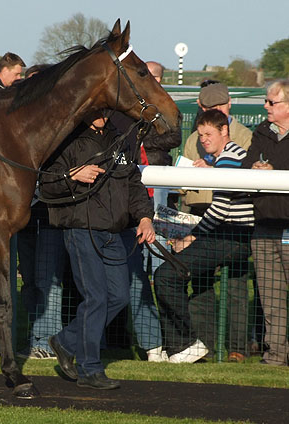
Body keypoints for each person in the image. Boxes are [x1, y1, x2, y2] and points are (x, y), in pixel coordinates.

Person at [40, 112, 156, 389]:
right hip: (81, 230)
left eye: (106, 109)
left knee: (118, 296)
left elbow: (133, 183)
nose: (102, 115)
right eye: (96, 109)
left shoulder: (119, 139)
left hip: (114, 232)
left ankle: (66, 341)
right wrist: (72, 175)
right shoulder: (66, 139)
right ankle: (90, 369)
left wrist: (144, 217)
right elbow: (46, 184)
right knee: (96, 298)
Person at [154, 109, 254, 363]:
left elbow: (221, 208)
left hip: (232, 237)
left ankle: (185, 343)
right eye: (200, 135)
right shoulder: (226, 158)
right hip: (229, 236)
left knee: (166, 275)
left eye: (209, 134)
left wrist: (191, 237)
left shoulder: (230, 158)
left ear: (224, 131)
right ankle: (195, 345)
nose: (204, 140)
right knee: (195, 285)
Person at [111, 60, 181, 362]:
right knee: (134, 279)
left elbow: (172, 134)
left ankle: (174, 341)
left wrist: (140, 137)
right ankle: (153, 345)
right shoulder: (126, 111)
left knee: (162, 272)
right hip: (132, 200)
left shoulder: (160, 106)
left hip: (158, 197)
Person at [14, 64, 67, 360]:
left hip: (50, 215)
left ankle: (46, 343)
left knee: (49, 281)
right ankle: (36, 337)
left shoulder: (57, 128)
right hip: (24, 216)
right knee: (31, 281)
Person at [242, 80, 289, 367]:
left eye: (272, 103)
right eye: (266, 102)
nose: (266, 107)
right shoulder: (262, 131)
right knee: (270, 299)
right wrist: (255, 169)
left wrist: (275, 172)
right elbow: (247, 164)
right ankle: (275, 356)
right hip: (264, 226)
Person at [183, 82, 253, 216]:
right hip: (196, 209)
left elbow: (246, 179)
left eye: (222, 105)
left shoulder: (246, 137)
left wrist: (210, 171)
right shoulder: (193, 139)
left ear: (230, 103)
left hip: (229, 213)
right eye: (212, 108)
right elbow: (182, 186)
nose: (218, 110)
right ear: (202, 108)